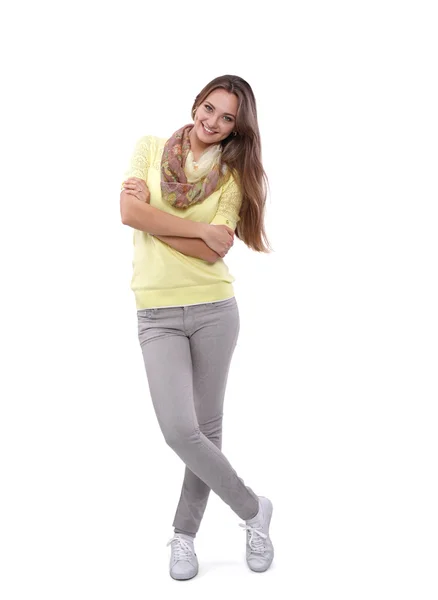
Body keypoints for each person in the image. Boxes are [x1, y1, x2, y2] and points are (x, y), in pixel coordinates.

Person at [119, 74, 274, 580]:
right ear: (196, 104)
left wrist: (153, 218)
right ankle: (254, 510)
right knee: (180, 432)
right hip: (156, 313)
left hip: (214, 310)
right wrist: (190, 229)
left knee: (206, 432)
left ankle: (183, 537)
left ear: (235, 129)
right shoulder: (149, 148)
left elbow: (216, 250)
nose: (212, 122)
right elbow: (127, 212)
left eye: (226, 118)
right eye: (208, 108)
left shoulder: (230, 178)